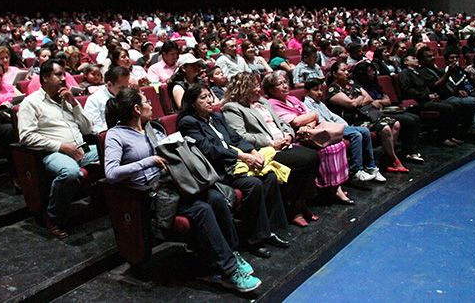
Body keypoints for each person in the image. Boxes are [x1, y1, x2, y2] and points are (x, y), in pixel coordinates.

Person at [105, 87, 261, 292]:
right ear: (136, 108)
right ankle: (230, 272)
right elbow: (111, 173)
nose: (151, 105)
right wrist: (148, 162)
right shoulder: (116, 135)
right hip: (152, 194)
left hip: (173, 185)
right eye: (146, 102)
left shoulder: (152, 128)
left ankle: (231, 253)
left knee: (216, 197)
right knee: (201, 209)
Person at [178, 82, 290, 258]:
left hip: (236, 162)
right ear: (192, 102)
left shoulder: (216, 117)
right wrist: (243, 157)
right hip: (218, 170)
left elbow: (235, 138)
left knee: (269, 175)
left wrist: (253, 152)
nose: (209, 100)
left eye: (209, 95)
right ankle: (253, 240)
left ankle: (269, 231)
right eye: (203, 97)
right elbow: (208, 149)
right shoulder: (188, 122)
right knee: (253, 184)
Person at [221, 72, 320, 227]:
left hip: (283, 143)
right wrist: (270, 142)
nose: (258, 89)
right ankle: (295, 208)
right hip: (264, 150)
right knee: (304, 160)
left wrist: (288, 134)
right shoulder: (232, 108)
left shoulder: (263, 102)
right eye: (253, 85)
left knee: (313, 156)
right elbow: (240, 136)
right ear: (243, 88)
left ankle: (300, 203)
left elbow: (283, 122)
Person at [17, 59, 99, 238]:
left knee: (112, 152)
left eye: (64, 74)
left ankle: (101, 200)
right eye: (58, 74)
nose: (64, 79)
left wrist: (74, 103)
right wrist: (61, 146)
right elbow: (26, 137)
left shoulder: (67, 98)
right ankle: (53, 217)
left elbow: (88, 129)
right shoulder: (31, 103)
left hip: (81, 148)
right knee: (69, 172)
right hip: (53, 152)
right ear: (45, 77)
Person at [263, 71, 352, 204]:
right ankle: (327, 189)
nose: (285, 86)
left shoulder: (292, 99)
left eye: (285, 82)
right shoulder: (272, 104)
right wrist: (312, 118)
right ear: (271, 90)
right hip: (297, 137)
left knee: (338, 144)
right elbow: (295, 122)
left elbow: (311, 114)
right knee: (328, 149)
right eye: (279, 84)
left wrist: (310, 123)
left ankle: (335, 186)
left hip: (310, 133)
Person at [326, 61, 406, 174]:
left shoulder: (351, 83)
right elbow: (351, 105)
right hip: (352, 121)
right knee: (386, 129)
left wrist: (356, 100)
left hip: (365, 116)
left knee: (396, 124)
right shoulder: (333, 90)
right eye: (343, 71)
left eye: (347, 70)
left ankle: (387, 158)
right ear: (334, 73)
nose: (346, 73)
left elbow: (368, 98)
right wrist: (359, 98)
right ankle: (393, 160)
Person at [303, 78, 380, 182]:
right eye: (316, 90)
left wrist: (344, 124)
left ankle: (371, 167)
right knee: (356, 135)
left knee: (365, 131)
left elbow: (332, 116)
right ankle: (356, 170)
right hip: (327, 129)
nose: (319, 93)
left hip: (336, 126)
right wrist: (340, 127)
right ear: (307, 91)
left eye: (321, 90)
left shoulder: (320, 103)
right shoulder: (306, 103)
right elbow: (320, 121)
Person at [351, 62, 424, 163]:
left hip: (384, 109)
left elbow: (387, 100)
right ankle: (409, 152)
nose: (373, 73)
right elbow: (369, 101)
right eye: (369, 71)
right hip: (373, 114)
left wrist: (379, 102)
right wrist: (376, 102)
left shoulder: (374, 84)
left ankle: (409, 150)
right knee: (409, 120)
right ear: (362, 74)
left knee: (415, 117)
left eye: (373, 70)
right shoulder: (358, 87)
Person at [416, 46, 475, 138]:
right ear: (421, 60)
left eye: (432, 55)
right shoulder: (423, 71)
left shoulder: (434, 69)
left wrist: (458, 90)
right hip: (444, 98)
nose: (433, 58)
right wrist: (448, 73)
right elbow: (435, 86)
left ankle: (469, 128)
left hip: (453, 95)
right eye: (429, 57)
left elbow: (449, 85)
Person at [399, 54, 462, 147]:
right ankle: (442, 138)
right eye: (413, 58)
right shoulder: (405, 73)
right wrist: (428, 96)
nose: (416, 59)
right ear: (406, 62)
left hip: (427, 99)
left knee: (454, 105)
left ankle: (449, 135)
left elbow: (426, 87)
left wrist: (433, 94)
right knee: (448, 108)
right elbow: (408, 90)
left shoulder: (417, 72)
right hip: (419, 102)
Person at [84, 66, 130, 133]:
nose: (125, 91)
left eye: (127, 86)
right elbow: (96, 128)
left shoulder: (127, 95)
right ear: (109, 84)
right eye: (121, 88)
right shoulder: (94, 100)